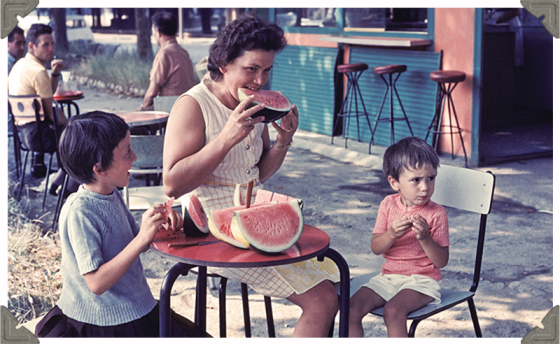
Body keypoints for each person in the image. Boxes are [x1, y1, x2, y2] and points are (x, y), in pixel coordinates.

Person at [162, 14, 340, 337]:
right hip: (213, 231)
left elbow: (258, 172)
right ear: (223, 63)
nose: (260, 81)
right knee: (323, 299)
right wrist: (226, 138)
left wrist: (284, 141)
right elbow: (172, 183)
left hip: (252, 213)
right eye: (251, 69)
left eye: (267, 70)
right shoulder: (192, 106)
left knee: (336, 282)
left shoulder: (253, 104)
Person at [34, 111, 210, 338]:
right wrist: (141, 240)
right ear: (100, 169)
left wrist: (156, 226)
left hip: (136, 307)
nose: (135, 157)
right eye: (127, 151)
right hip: (103, 322)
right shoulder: (80, 211)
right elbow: (96, 283)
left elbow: (136, 243)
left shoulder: (111, 193)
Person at [348, 136, 450, 337]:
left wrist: (425, 239)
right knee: (350, 310)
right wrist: (392, 233)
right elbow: (377, 248)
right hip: (389, 277)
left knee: (393, 312)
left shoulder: (437, 213)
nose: (425, 187)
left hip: (422, 281)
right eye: (416, 180)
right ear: (394, 182)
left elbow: (442, 261)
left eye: (431, 178)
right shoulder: (388, 204)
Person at [8, 23, 67, 183]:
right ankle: (64, 183)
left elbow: (47, 93)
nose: (51, 49)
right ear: (32, 46)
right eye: (45, 45)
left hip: (24, 136)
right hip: (41, 137)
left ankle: (63, 178)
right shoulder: (38, 71)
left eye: (52, 44)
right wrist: (71, 124)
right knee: (82, 137)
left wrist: (54, 74)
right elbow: (51, 112)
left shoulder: (19, 65)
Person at [137, 11, 196, 112]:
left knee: (134, 123)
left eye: (153, 31)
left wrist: (142, 109)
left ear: (158, 32)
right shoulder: (183, 52)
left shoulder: (164, 53)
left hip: (171, 107)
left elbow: (152, 92)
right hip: (188, 105)